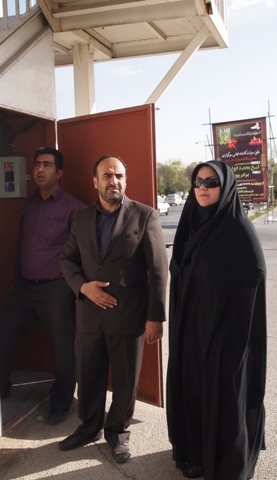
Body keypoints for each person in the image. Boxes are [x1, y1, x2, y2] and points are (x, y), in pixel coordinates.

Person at [59, 154, 168, 464]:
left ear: (125, 181)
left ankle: (118, 433)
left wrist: (155, 317)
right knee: (87, 376)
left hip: (129, 317)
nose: (113, 181)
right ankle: (88, 428)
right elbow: (67, 260)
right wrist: (84, 287)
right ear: (95, 181)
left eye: (119, 175)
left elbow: (158, 271)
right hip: (89, 317)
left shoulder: (145, 216)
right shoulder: (81, 218)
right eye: (107, 175)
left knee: (125, 381)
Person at [167, 160, 267, 479]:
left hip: (224, 333)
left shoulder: (237, 228)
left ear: (225, 188)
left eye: (211, 182)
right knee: (193, 390)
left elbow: (255, 276)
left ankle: (224, 461)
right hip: (189, 328)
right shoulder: (190, 224)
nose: (203, 188)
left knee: (221, 394)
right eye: (198, 182)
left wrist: (228, 323)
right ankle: (194, 453)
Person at [0, 146, 84, 426]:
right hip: (24, 289)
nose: (40, 169)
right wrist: (15, 279)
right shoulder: (29, 206)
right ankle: (0, 388)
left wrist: (76, 288)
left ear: (59, 173)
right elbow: (20, 244)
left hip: (55, 289)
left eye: (47, 165)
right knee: (3, 335)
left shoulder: (73, 207)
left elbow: (83, 252)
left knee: (64, 349)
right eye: (37, 164)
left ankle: (61, 404)